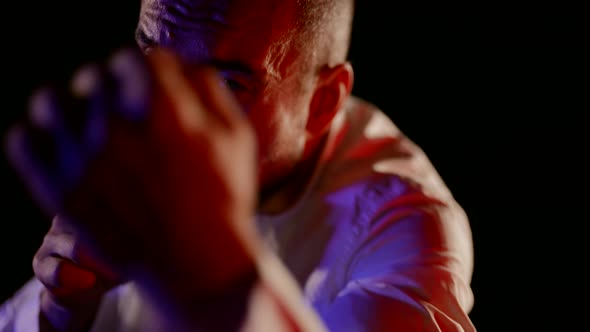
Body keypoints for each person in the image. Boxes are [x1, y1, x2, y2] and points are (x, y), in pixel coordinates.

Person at [0, 0, 477, 331]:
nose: (174, 112)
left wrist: (216, 271)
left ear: (323, 102)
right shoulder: (145, 138)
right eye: (154, 59)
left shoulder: (407, 227)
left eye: (226, 85)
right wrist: (60, 312)